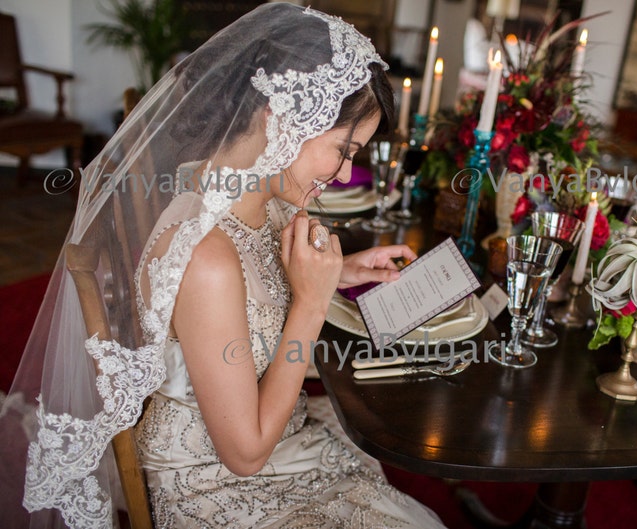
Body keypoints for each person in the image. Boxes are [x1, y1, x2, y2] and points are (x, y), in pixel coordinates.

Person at [0, 4, 447, 528]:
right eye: (343, 151)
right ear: (281, 118)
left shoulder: (239, 192)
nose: (347, 173)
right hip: (219, 484)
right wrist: (310, 302)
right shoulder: (207, 258)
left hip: (273, 441)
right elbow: (245, 454)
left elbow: (256, 283)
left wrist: (340, 270)